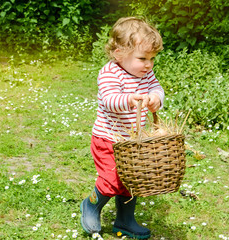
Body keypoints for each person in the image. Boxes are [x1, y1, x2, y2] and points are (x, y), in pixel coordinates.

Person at [80, 16, 164, 239]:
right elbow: (109, 99)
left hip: (131, 141)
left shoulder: (146, 74)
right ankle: (91, 206)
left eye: (152, 59)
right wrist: (128, 99)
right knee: (111, 180)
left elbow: (157, 88)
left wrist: (156, 97)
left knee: (131, 181)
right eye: (142, 58)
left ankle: (125, 221)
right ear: (119, 53)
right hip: (107, 139)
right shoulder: (110, 73)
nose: (148, 64)